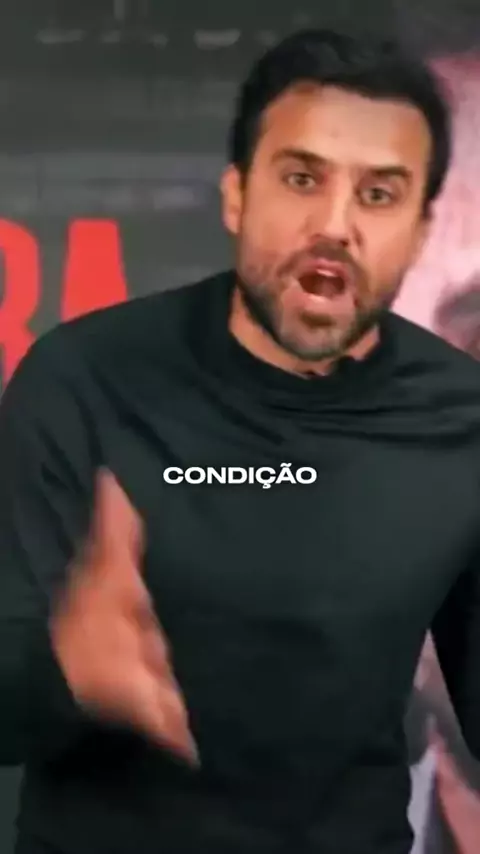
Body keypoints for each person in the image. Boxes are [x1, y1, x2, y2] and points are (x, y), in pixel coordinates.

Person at [1, 27, 479, 854]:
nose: (334, 225)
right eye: (302, 178)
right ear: (237, 195)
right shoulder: (82, 380)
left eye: (378, 194)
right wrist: (64, 671)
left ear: (417, 226)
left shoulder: (463, 417)